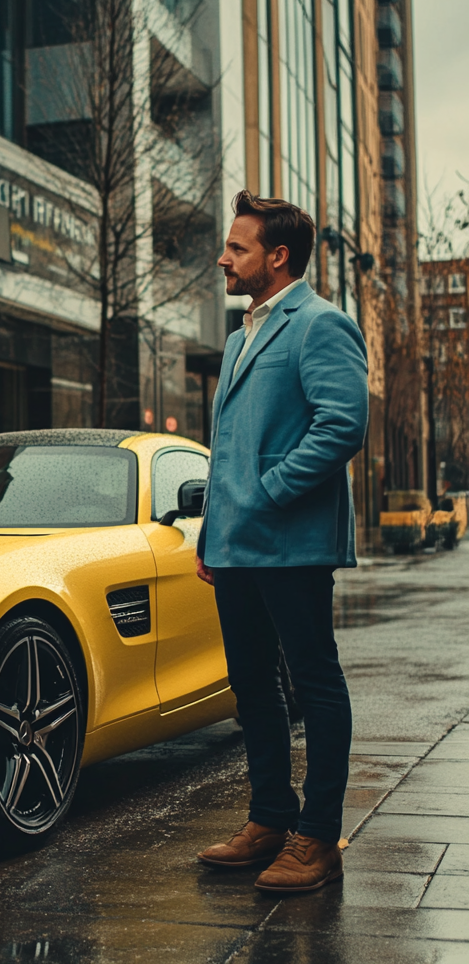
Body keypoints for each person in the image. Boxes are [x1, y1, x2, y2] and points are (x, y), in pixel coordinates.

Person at [195, 191, 369, 894]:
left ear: (278, 257)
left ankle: (318, 837)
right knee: (252, 688)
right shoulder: (240, 338)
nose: (223, 258)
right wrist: (215, 531)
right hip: (236, 548)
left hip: (292, 544)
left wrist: (267, 494)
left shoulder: (321, 325)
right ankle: (269, 818)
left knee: (314, 682)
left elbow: (341, 426)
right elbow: (226, 449)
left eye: (237, 248)